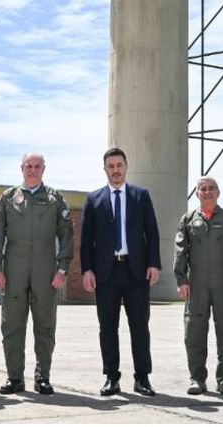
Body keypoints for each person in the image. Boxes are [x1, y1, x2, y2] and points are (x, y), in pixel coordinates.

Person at [0, 152, 74, 395]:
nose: (33, 170)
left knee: (45, 326)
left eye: (37, 166)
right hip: (14, 270)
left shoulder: (55, 198)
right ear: (22, 168)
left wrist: (62, 269)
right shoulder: (8, 197)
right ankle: (14, 378)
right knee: (12, 326)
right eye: (29, 166)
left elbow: (67, 236)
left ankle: (42, 377)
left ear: (44, 169)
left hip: (46, 271)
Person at [80, 147, 161, 397]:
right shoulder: (94, 200)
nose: (115, 170)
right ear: (105, 169)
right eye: (111, 166)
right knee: (108, 327)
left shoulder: (141, 196)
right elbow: (86, 240)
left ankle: (142, 378)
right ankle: (111, 378)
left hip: (136, 272)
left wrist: (153, 264)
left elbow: (153, 233)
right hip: (106, 273)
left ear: (126, 167)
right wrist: (87, 270)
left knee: (140, 326)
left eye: (119, 165)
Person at [173, 176, 223, 396]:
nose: (207, 192)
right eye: (202, 189)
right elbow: (179, 251)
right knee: (194, 333)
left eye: (211, 188)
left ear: (218, 192)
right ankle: (197, 378)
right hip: (196, 286)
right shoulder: (187, 219)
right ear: (196, 193)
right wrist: (181, 280)